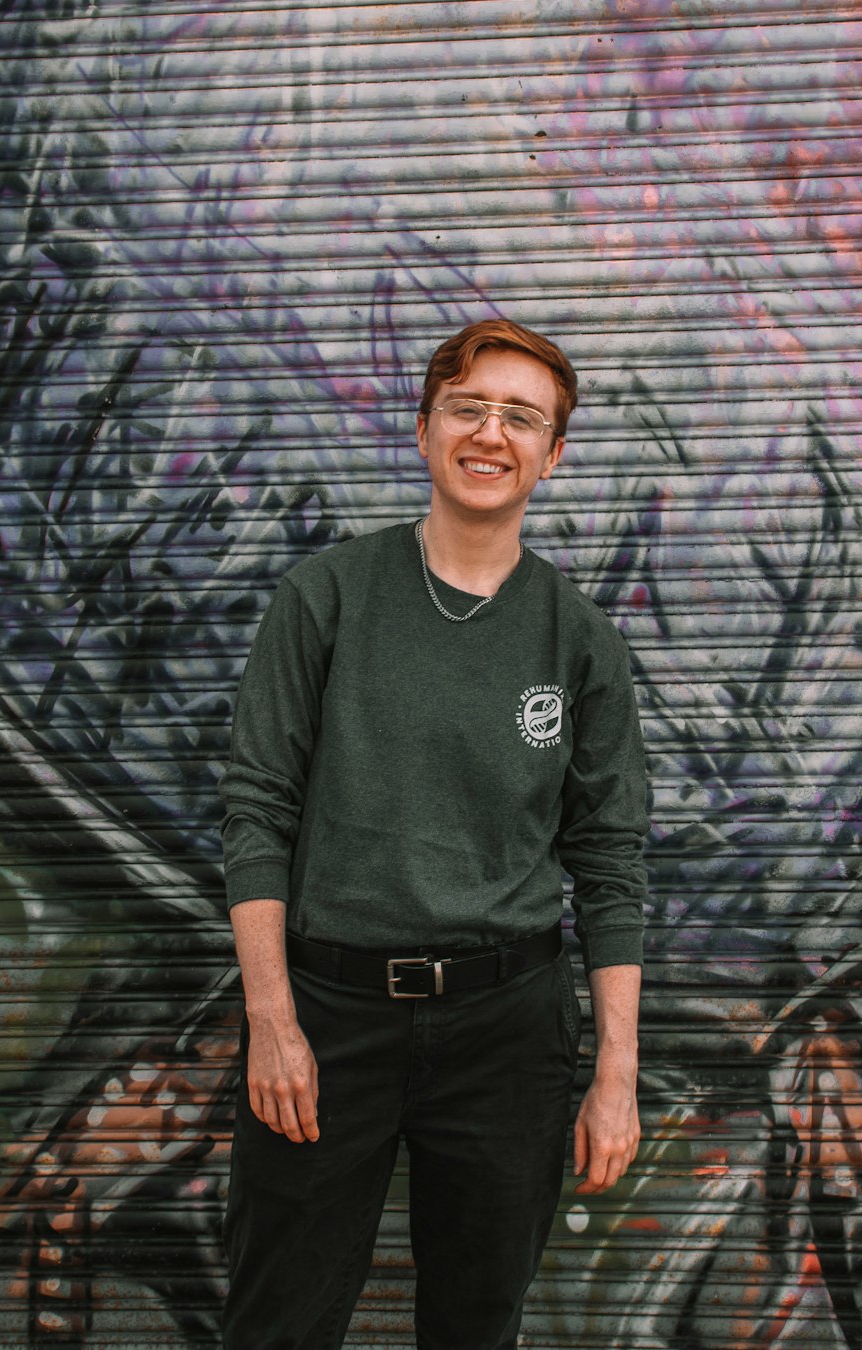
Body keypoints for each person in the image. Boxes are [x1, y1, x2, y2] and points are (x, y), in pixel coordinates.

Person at [219, 318, 648, 1350]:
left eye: (521, 417)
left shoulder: (578, 638)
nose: (491, 433)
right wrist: (273, 1022)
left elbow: (611, 862)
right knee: (282, 1320)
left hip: (508, 1033)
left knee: (475, 1324)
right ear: (423, 431)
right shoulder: (323, 598)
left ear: (554, 453)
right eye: (469, 407)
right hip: (328, 1019)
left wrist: (616, 1075)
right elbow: (257, 808)